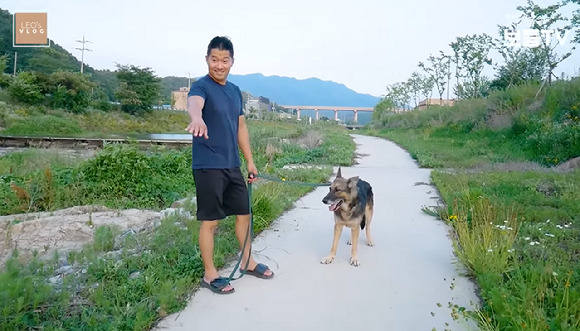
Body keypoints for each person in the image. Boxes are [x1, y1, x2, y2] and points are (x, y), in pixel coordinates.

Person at [185, 36, 274, 295]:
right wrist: (197, 118)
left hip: (232, 165)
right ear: (207, 60)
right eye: (214, 60)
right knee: (211, 221)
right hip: (208, 165)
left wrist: (250, 161)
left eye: (224, 60)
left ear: (232, 62)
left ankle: (247, 260)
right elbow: (194, 105)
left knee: (244, 214)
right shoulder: (201, 87)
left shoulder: (235, 91)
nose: (219, 65)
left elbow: (240, 127)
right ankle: (210, 273)